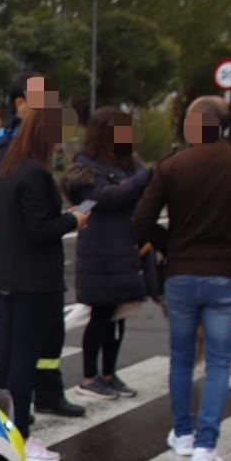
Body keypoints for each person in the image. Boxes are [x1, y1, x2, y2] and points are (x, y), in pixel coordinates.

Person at [133, 96, 231, 461]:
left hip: (181, 277)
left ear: (193, 125)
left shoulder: (171, 167)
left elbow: (140, 222)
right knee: (219, 364)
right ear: (223, 125)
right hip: (226, 275)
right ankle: (206, 448)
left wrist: (173, 243)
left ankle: (182, 434)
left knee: (182, 358)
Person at [0, 104, 91, 461]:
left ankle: (4, 428)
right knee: (23, 362)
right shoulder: (35, 174)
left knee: (9, 358)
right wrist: (73, 219)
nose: (63, 141)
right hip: (35, 280)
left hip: (12, 277)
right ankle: (21, 436)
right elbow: (39, 228)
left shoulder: (9, 167)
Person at [60, 107, 151, 399]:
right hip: (99, 250)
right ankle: (89, 376)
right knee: (100, 313)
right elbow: (106, 198)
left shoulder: (130, 163)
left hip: (124, 247)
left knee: (118, 314)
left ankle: (110, 373)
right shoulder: (85, 167)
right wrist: (143, 179)